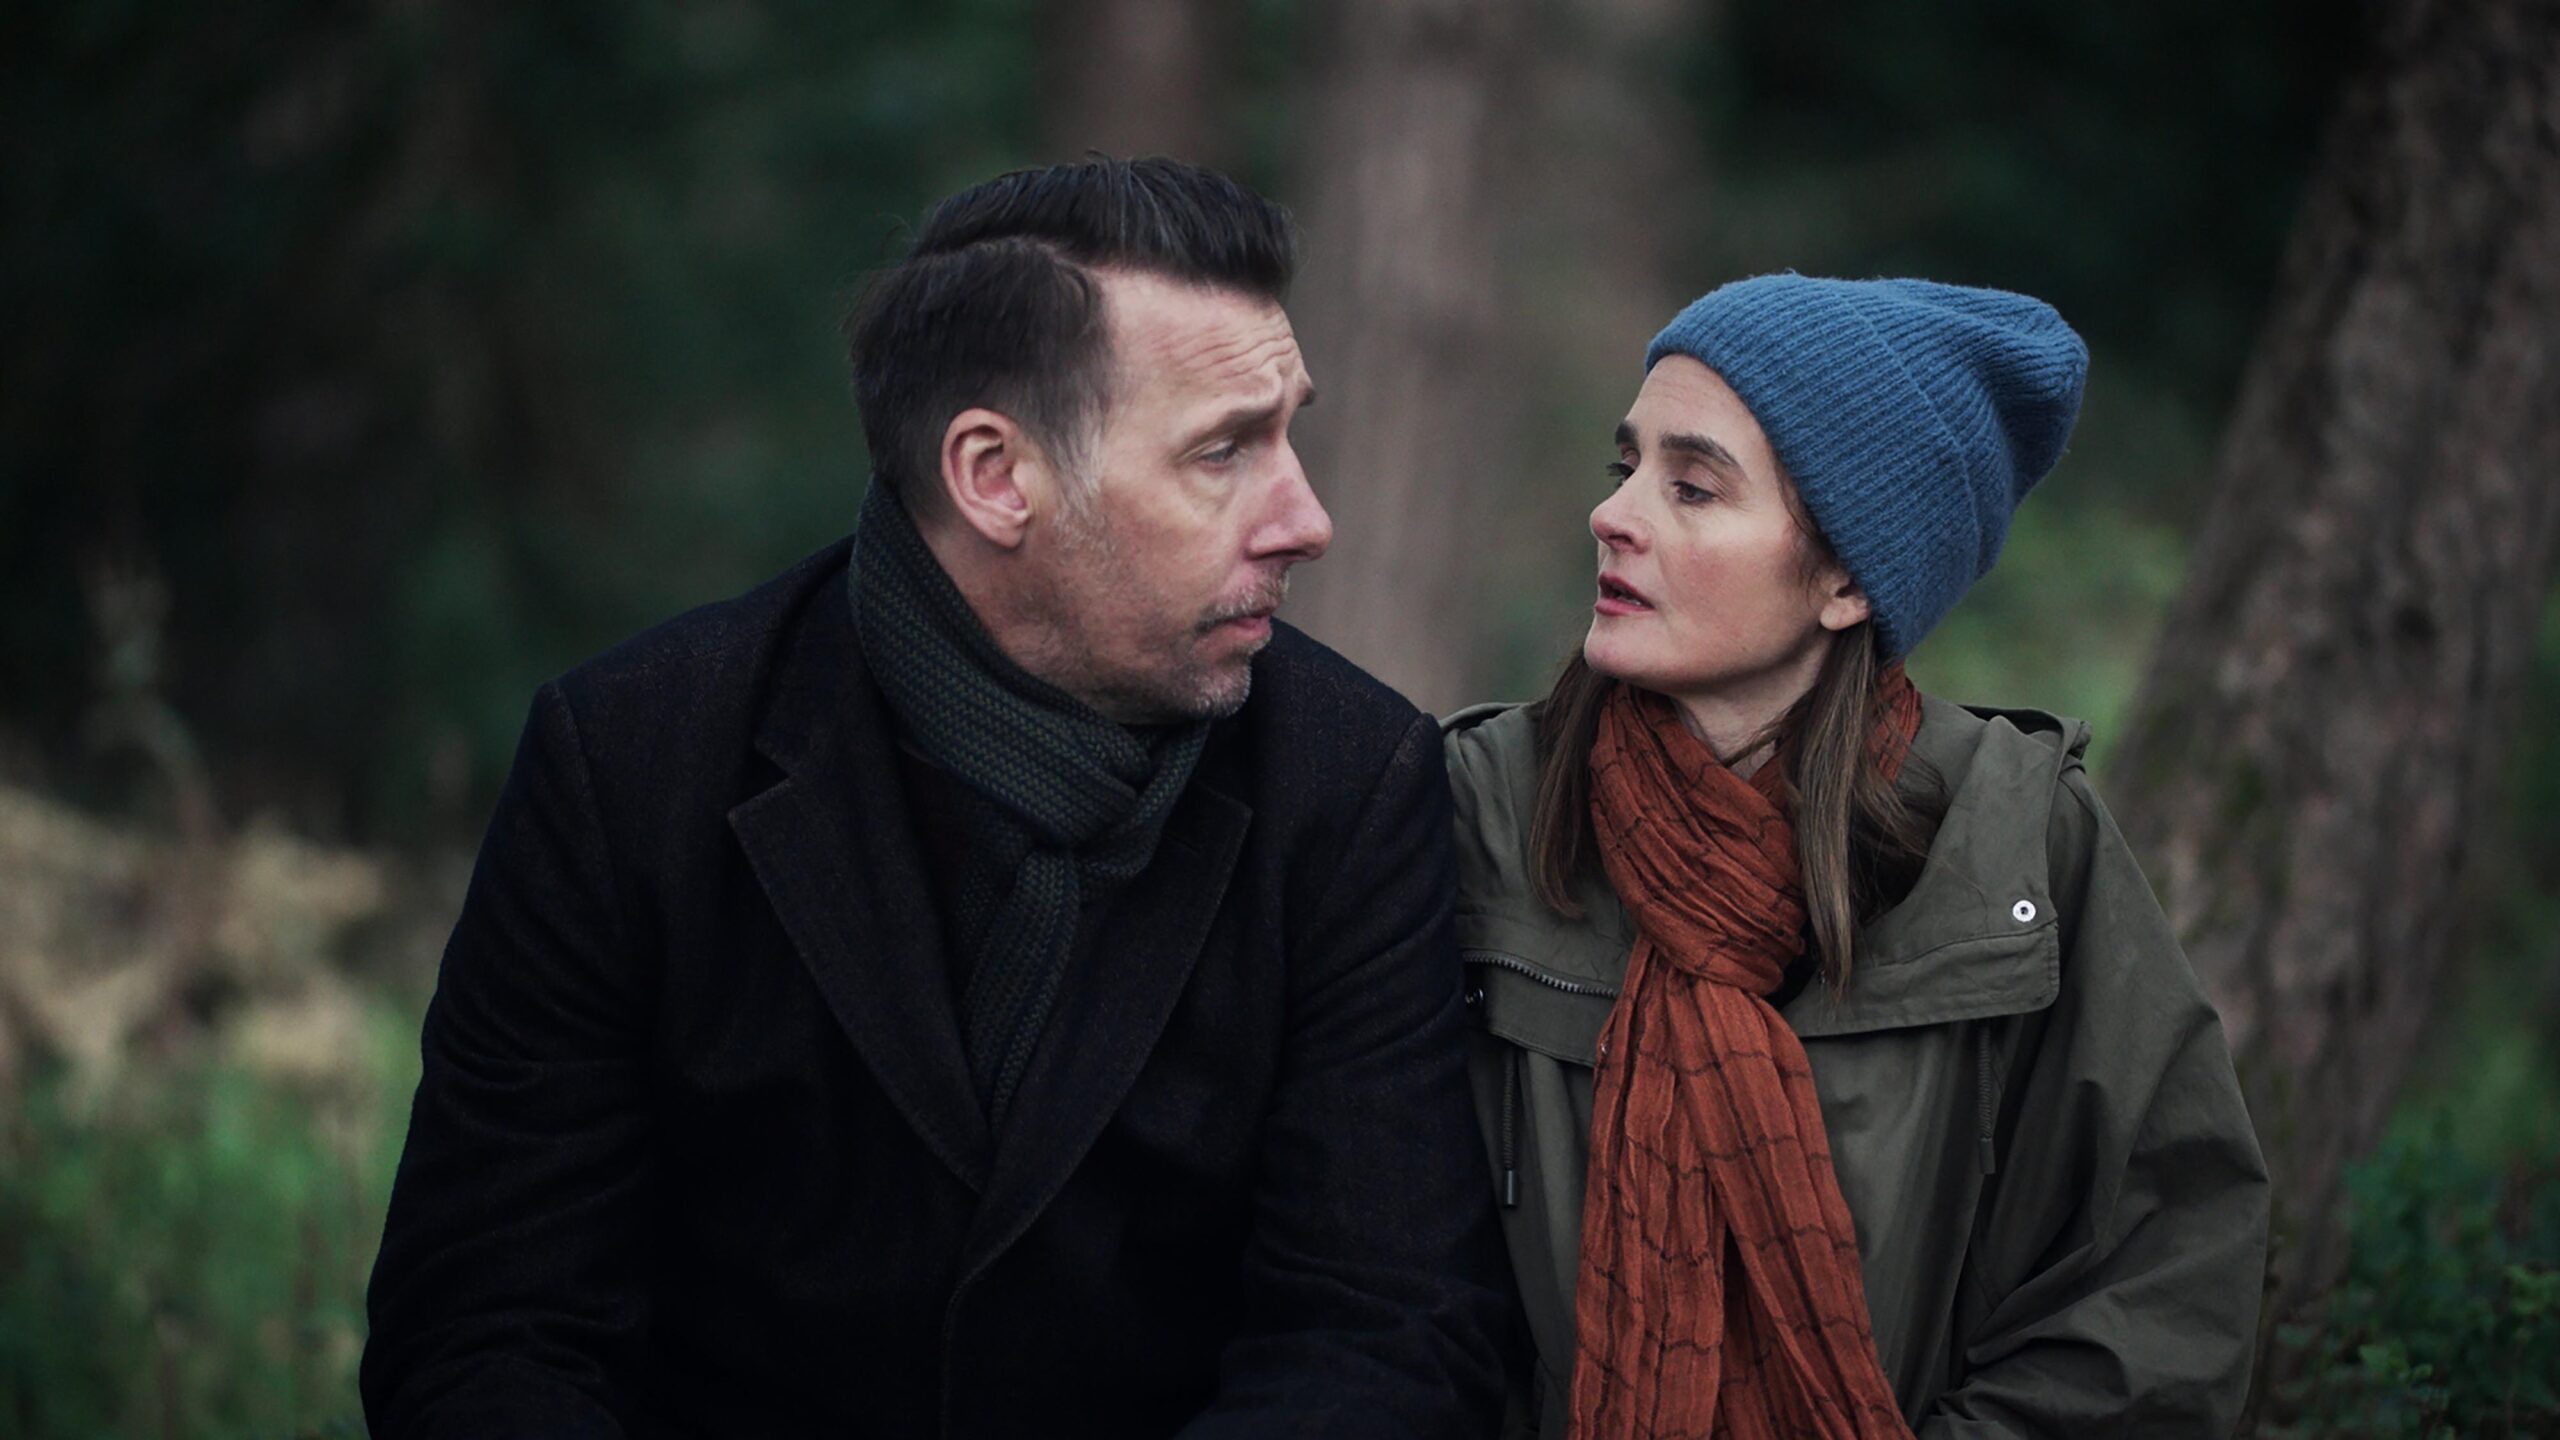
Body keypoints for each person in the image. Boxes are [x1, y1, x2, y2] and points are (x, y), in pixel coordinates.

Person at [361, 156, 1509, 1439]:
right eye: (1224, 450)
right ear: (994, 476)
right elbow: (487, 1329)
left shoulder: (1352, 784)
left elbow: (1383, 1335)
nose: (1308, 518)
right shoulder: (633, 761)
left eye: (1289, 431)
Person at [1443, 275, 2270, 1438]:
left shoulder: (2017, 841)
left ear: (1844, 579)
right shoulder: (1475, 807)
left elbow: (2163, 1282)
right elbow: (1374, 1271)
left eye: (1691, 487)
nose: (1613, 515)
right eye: (1623, 467)